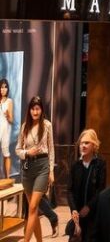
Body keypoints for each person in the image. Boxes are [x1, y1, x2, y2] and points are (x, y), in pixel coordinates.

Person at [15, 96, 54, 242]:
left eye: (37, 109)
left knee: (32, 207)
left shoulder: (47, 125)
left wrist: (51, 170)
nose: (35, 112)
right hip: (27, 169)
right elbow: (18, 149)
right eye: (33, 109)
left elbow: (51, 149)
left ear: (41, 110)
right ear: (29, 110)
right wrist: (27, 153)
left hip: (42, 167)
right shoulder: (25, 126)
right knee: (34, 210)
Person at [67, 129, 107, 242]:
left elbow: (101, 189)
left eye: (86, 143)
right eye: (81, 143)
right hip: (78, 215)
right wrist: (73, 209)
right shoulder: (75, 165)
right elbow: (69, 190)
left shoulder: (100, 164)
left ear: (94, 145)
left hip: (93, 213)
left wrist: (89, 207)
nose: (83, 146)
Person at [0, 79, 14, 178]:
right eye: (1, 87)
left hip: (5, 130)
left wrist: (8, 115)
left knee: (6, 153)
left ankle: (8, 177)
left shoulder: (9, 101)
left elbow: (11, 120)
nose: (3, 89)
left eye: (5, 87)